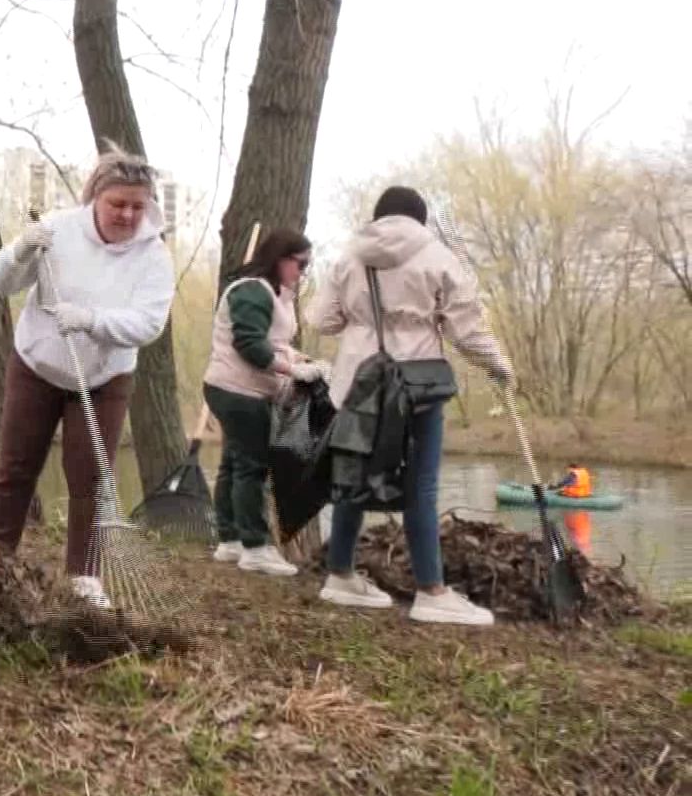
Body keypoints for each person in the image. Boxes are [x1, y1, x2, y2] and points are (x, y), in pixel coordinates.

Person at [0, 146, 176, 609]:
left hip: (104, 377)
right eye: (118, 204)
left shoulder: (153, 256)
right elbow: (0, 283)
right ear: (96, 197)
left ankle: (84, 575)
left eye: (137, 205)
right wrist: (19, 251)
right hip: (38, 365)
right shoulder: (58, 229)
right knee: (16, 467)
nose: (128, 214)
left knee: (90, 478)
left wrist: (91, 319)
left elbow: (148, 323)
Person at [312, 185, 512, 627]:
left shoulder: (349, 256)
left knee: (354, 474)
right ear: (419, 221)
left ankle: (340, 574)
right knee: (421, 483)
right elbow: (467, 332)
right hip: (417, 382)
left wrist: (363, 317)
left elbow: (323, 320)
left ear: (379, 217)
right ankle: (431, 591)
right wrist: (501, 368)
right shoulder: (439, 257)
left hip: (358, 384)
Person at [202, 228, 323, 576]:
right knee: (251, 467)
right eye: (300, 265)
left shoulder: (275, 294)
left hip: (241, 388)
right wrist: (290, 371)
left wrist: (301, 360)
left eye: (307, 267)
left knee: (234, 463)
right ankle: (255, 546)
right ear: (281, 259)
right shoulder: (253, 291)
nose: (302, 273)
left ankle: (230, 539)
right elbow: (250, 344)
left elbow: (274, 341)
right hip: (238, 390)